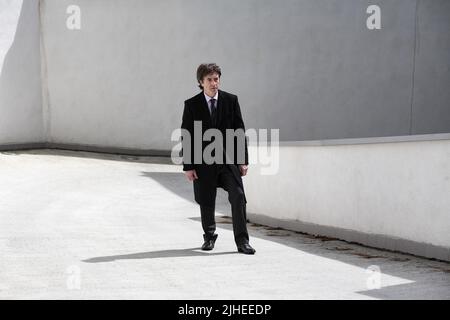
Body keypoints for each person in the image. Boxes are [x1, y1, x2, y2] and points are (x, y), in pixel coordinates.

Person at [181, 63, 256, 254]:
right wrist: (188, 166)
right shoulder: (191, 105)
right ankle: (209, 236)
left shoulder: (231, 101)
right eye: (209, 80)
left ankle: (242, 241)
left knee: (238, 196)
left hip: (228, 161)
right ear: (201, 82)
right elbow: (187, 135)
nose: (214, 83)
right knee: (206, 199)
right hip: (203, 161)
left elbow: (239, 131)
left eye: (216, 79)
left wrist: (242, 160)